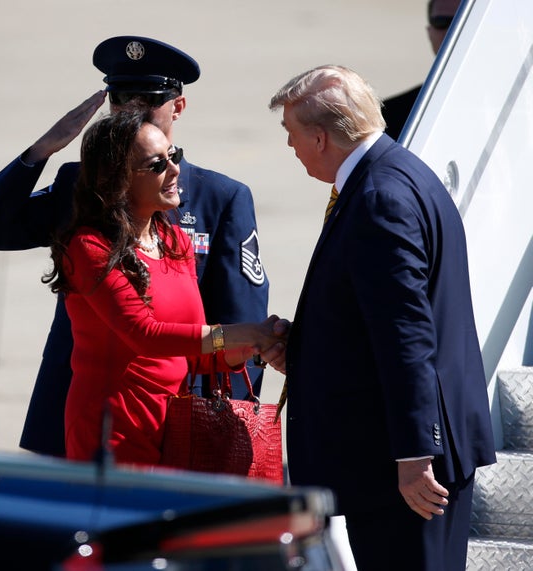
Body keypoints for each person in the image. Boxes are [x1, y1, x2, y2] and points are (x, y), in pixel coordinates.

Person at [0, 36, 270, 457]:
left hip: (181, 417)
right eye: (121, 96)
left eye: (148, 99)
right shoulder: (79, 188)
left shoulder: (215, 200)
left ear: (177, 106)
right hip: (99, 419)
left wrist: (232, 418)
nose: (131, 108)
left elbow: (235, 315)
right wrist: (43, 150)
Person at [265, 65, 496, 570]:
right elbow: (377, 314)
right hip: (403, 454)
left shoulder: (379, 198)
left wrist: (414, 455)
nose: (291, 148)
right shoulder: (402, 172)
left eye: (292, 136)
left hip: (405, 467)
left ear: (321, 138)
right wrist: (304, 349)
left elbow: (407, 334)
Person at [46, 109, 281, 466]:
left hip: (176, 430)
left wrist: (254, 344)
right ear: (118, 180)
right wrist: (240, 332)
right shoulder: (90, 247)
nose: (174, 171)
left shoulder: (174, 240)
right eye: (157, 165)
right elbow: (146, 335)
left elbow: (196, 355)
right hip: (113, 432)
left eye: (174, 157)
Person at [382, 0, 462, 140]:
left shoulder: (512, 104)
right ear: (429, 33)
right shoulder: (385, 119)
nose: (453, 31)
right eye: (442, 22)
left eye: (463, 21)